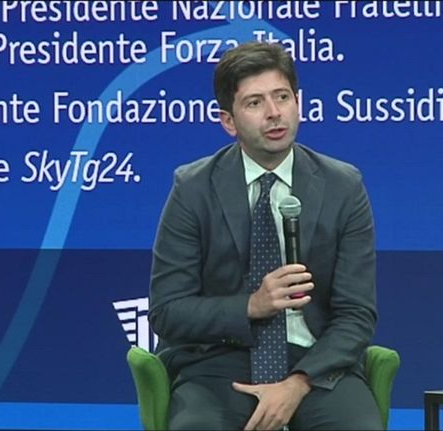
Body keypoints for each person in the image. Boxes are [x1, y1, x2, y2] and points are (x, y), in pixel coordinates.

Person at [148, 41, 381, 430]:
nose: (274, 113)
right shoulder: (193, 189)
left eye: (282, 97)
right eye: (255, 103)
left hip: (316, 365)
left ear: (298, 103)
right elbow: (168, 311)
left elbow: (356, 313)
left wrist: (298, 383)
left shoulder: (343, 186)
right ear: (228, 121)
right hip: (218, 363)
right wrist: (251, 306)